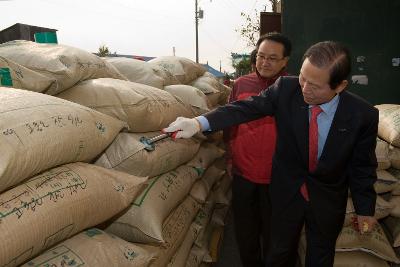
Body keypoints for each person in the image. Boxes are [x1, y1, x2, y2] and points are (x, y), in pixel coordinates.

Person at [164, 41, 378, 267]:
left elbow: (362, 166)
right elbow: (245, 108)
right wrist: (199, 123)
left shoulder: (362, 115)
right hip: (287, 193)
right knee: (278, 253)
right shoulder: (286, 88)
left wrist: (365, 209)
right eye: (303, 78)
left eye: (315, 86)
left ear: (340, 86)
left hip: (327, 199)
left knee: (321, 255)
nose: (305, 89)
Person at [223, 32, 291, 267]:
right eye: (261, 56)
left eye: (273, 58)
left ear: (285, 61)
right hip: (244, 173)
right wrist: (230, 158)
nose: (265, 62)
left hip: (277, 177)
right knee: (246, 231)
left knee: (275, 233)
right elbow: (230, 123)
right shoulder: (241, 85)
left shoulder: (293, 89)